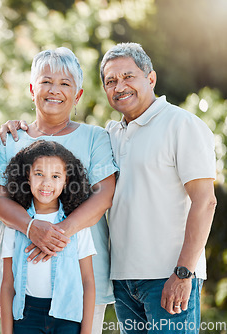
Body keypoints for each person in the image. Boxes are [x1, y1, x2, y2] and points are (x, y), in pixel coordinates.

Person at [0, 47, 118, 334]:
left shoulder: (94, 137)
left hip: (82, 286)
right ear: (32, 88)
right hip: (22, 283)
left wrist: (56, 233)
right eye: (46, 81)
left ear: (78, 95)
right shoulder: (10, 139)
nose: (54, 90)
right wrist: (31, 227)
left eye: (65, 84)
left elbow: (105, 195)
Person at [100, 42, 217, 333]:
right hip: (123, 282)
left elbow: (205, 202)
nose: (120, 86)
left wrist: (183, 273)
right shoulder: (109, 134)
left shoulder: (182, 125)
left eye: (129, 76)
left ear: (150, 79)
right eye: (111, 81)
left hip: (169, 277)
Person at [0, 140, 96, 334]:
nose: (46, 183)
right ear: (27, 176)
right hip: (26, 315)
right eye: (39, 174)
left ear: (66, 180)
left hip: (67, 316)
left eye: (55, 176)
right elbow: (7, 284)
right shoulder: (14, 223)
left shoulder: (77, 224)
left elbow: (88, 282)